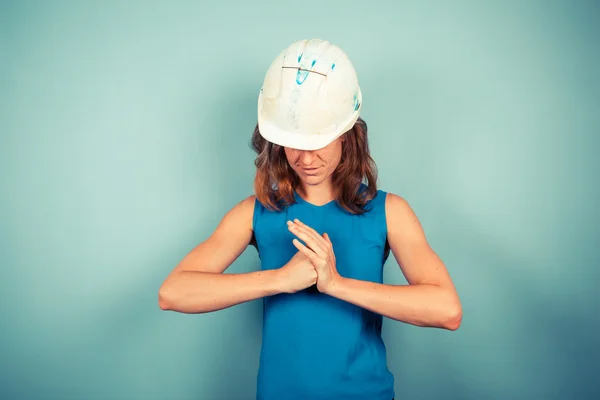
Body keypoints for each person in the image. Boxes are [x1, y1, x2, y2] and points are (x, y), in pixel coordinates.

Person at [158, 39, 462, 400]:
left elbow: (447, 310)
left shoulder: (389, 211)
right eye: (292, 143)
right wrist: (282, 279)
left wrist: (335, 284)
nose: (305, 158)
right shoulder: (254, 213)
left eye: (319, 141)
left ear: (347, 137)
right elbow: (172, 293)